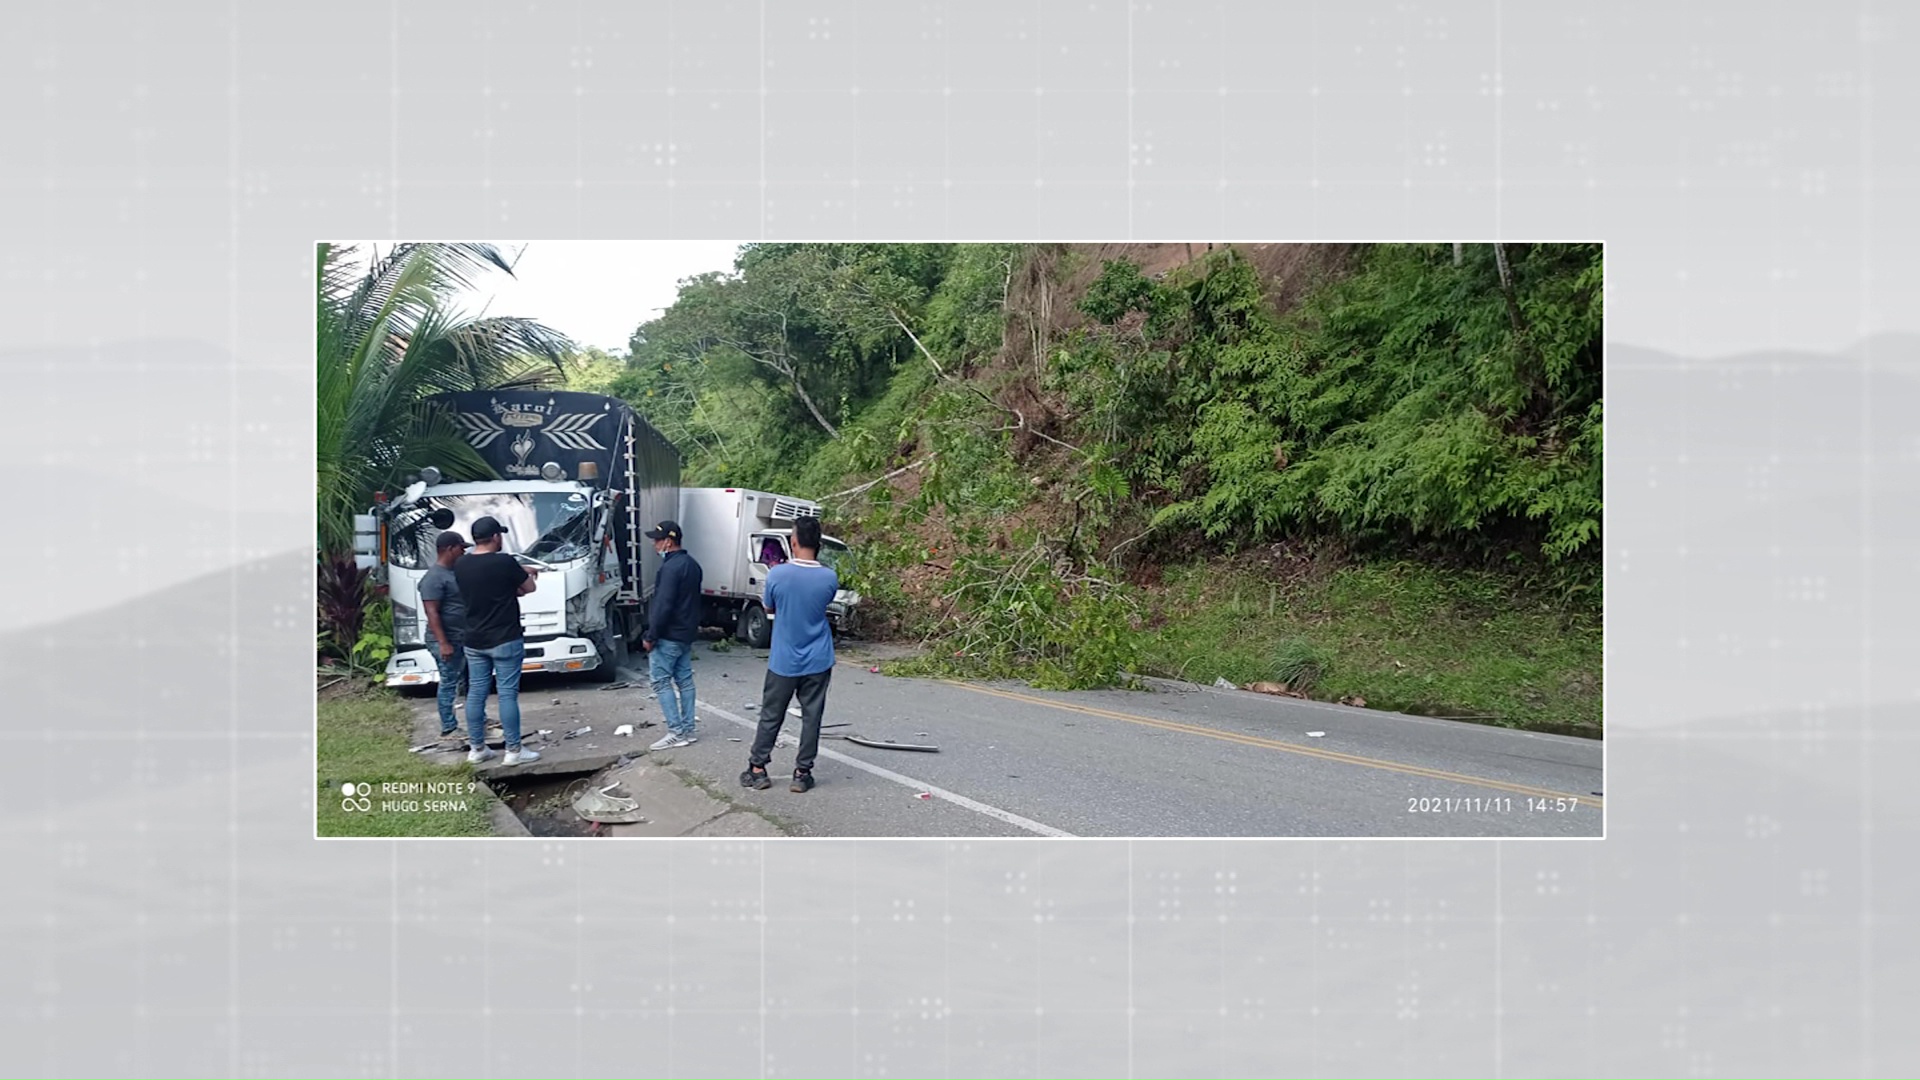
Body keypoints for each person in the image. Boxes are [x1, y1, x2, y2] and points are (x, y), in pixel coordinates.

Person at [741, 515, 839, 793]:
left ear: (793, 542)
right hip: (818, 658)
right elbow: (823, 605)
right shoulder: (829, 577)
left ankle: (758, 769)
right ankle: (802, 773)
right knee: (812, 716)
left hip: (784, 659)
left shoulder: (778, 574)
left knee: (772, 714)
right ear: (818, 544)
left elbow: (769, 607)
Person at [453, 515, 540, 766]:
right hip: (505, 638)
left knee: (476, 693)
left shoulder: (461, 564)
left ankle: (477, 749)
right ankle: (513, 751)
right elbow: (529, 588)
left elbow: (483, 586)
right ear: (495, 537)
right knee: (507, 694)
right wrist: (527, 576)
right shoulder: (505, 562)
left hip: (474, 639)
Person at [642, 519, 702, 751]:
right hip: (686, 634)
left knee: (660, 681)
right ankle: (688, 730)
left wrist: (651, 635)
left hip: (668, 635)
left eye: (657, 541)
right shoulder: (693, 565)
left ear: (668, 541)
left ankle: (676, 732)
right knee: (685, 681)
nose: (654, 545)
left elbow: (663, 605)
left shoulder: (669, 568)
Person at [419, 530, 472, 737]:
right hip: (445, 639)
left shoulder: (454, 572)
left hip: (461, 637)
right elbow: (431, 612)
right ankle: (449, 727)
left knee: (468, 681)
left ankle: (479, 719)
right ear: (449, 549)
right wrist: (443, 643)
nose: (463, 552)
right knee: (449, 681)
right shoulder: (434, 578)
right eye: (461, 548)